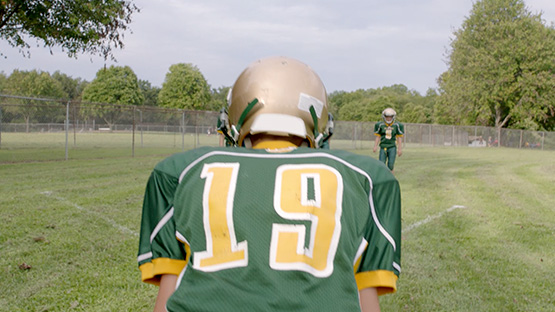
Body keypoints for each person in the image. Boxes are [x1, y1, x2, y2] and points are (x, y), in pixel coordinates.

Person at [137, 56, 401, 312]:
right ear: (318, 117)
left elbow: (167, 298)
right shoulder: (366, 178)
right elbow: (366, 301)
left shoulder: (179, 172)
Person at [373, 108, 404, 173]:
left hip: (392, 147)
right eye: (387, 117)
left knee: (390, 165)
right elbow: (378, 136)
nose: (389, 118)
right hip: (383, 146)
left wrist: (400, 149)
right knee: (381, 164)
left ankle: (391, 179)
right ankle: (382, 178)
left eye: (390, 117)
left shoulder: (397, 125)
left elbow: (399, 138)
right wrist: (375, 146)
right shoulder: (380, 125)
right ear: (384, 117)